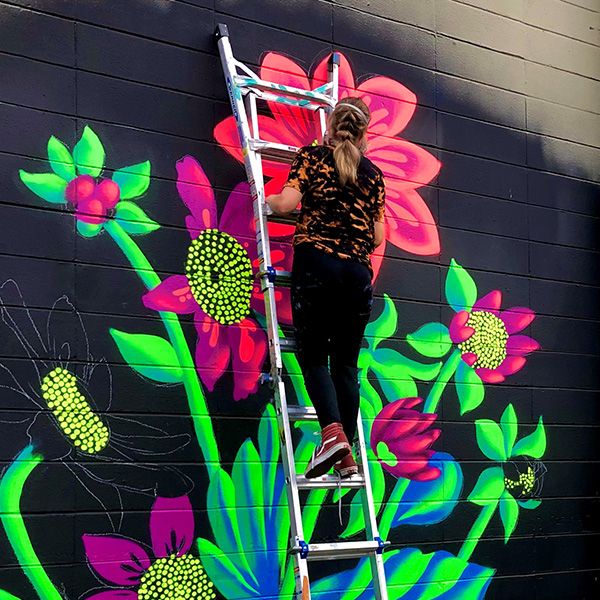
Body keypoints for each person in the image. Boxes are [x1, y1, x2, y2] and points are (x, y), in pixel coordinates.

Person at [265, 97, 385, 479]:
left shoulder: (312, 157)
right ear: (364, 133)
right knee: (346, 367)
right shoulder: (374, 175)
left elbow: (286, 203)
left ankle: (332, 435)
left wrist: (264, 199)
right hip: (358, 276)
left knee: (314, 356)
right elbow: (378, 237)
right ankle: (344, 452)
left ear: (331, 127)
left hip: (318, 266)